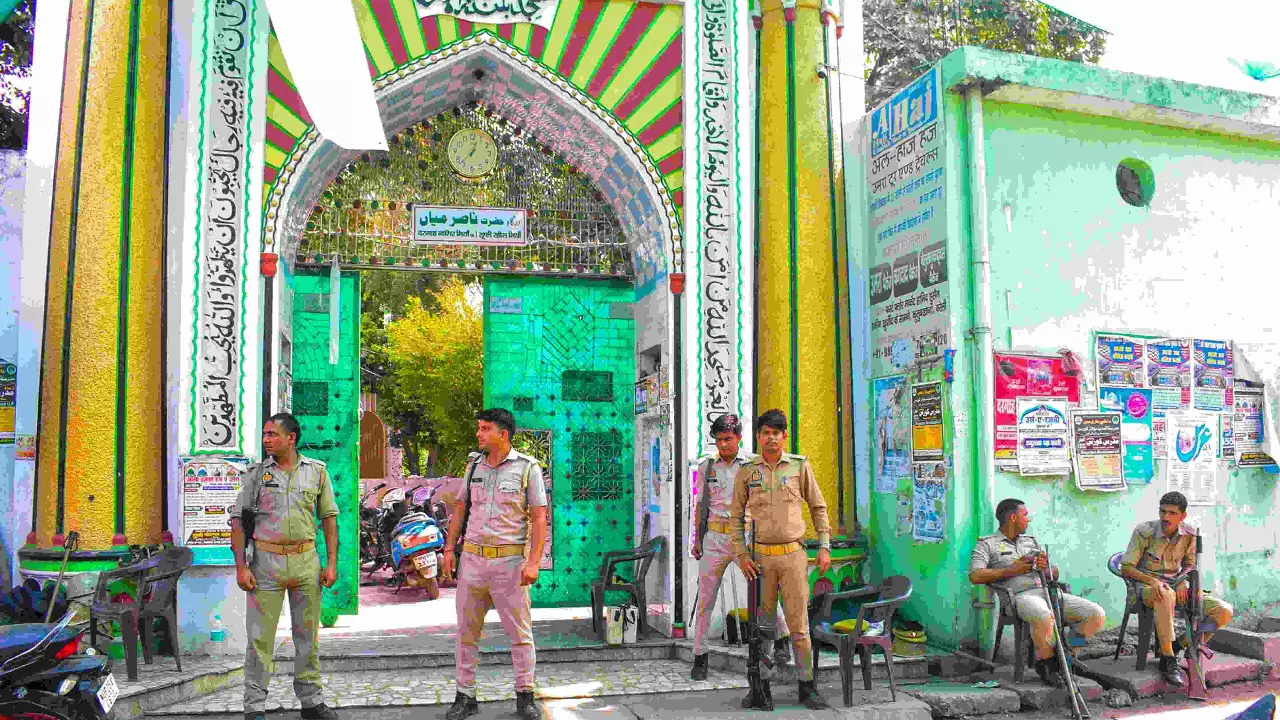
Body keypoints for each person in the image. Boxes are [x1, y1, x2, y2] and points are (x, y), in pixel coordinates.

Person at [230, 413, 341, 720]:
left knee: (308, 637)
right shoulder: (255, 475)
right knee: (259, 640)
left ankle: (312, 701)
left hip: (306, 561)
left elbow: (329, 519)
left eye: (272, 434)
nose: (266, 440)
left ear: (291, 438)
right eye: (264, 434)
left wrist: (331, 563)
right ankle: (254, 708)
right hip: (266, 563)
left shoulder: (317, 473)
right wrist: (241, 567)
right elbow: (238, 522)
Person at [440, 408, 548, 720]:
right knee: (466, 633)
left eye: (485, 429)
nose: (479, 433)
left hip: (510, 563)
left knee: (520, 634)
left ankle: (525, 695)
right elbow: (461, 508)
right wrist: (449, 549)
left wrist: (533, 562)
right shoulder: (474, 465)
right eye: (479, 428)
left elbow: (539, 516)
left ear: (503, 434)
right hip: (473, 561)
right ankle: (465, 695)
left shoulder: (528, 468)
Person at [729, 409, 832, 710]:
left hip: (793, 557)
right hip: (760, 560)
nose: (771, 438)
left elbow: (818, 506)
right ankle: (761, 688)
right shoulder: (748, 471)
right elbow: (735, 516)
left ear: (784, 436)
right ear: (758, 437)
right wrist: (741, 555)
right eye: (765, 433)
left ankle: (807, 686)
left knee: (799, 628)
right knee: (763, 629)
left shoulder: (799, 467)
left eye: (776, 432)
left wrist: (824, 546)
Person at [690, 414, 792, 681]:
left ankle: (783, 638)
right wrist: (697, 540)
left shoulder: (752, 464)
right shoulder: (707, 466)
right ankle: (700, 656)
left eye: (728, 439)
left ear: (738, 438)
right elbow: (700, 505)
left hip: (745, 538)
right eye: (719, 440)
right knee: (705, 601)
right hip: (714, 539)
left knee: (763, 593)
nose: (723, 445)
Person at [969, 498, 1105, 688]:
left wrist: (1046, 567)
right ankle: (1046, 663)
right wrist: (1011, 571)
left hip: (1046, 591)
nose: (1029, 519)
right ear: (1014, 517)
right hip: (1019, 597)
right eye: (1025, 515)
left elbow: (1054, 573)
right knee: (1043, 615)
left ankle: (1064, 655)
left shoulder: (1030, 542)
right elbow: (975, 576)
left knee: (1095, 614)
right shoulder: (987, 544)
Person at [1120, 491, 1234, 687]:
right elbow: (1126, 567)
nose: (1165, 517)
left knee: (1223, 610)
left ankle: (1179, 645)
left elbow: (1190, 565)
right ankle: (1168, 660)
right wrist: (1153, 581)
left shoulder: (1189, 534)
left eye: (1172, 513)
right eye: (1162, 511)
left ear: (1183, 516)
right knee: (1165, 594)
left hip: (1176, 586)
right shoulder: (1144, 531)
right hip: (1147, 589)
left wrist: (1183, 579)